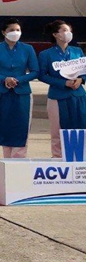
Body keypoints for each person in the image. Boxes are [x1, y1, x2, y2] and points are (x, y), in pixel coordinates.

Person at [0, 18, 39, 157]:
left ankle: (19, 160)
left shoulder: (27, 49)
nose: (15, 32)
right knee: (4, 126)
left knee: (21, 126)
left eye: (18, 30)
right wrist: (3, 79)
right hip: (2, 91)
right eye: (12, 30)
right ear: (4, 32)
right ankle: (7, 160)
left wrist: (18, 80)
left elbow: (35, 71)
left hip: (22, 92)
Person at [39, 20, 86, 158]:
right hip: (58, 96)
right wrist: (63, 83)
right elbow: (42, 75)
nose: (68, 33)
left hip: (78, 95)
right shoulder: (46, 54)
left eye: (69, 30)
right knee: (58, 130)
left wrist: (81, 80)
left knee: (80, 128)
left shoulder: (77, 51)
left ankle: (79, 159)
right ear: (55, 34)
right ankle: (58, 158)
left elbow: (84, 70)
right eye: (65, 30)